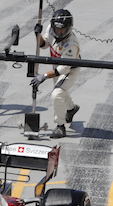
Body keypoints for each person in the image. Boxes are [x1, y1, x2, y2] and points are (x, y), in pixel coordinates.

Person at [31, 9, 81, 139]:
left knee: (56, 94)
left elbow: (64, 69)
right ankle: (70, 109)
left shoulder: (72, 44)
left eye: (62, 30)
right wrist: (38, 35)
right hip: (56, 66)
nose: (59, 32)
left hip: (70, 69)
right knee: (61, 91)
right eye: (57, 29)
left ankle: (60, 126)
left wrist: (44, 76)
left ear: (68, 29)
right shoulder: (51, 29)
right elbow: (44, 45)